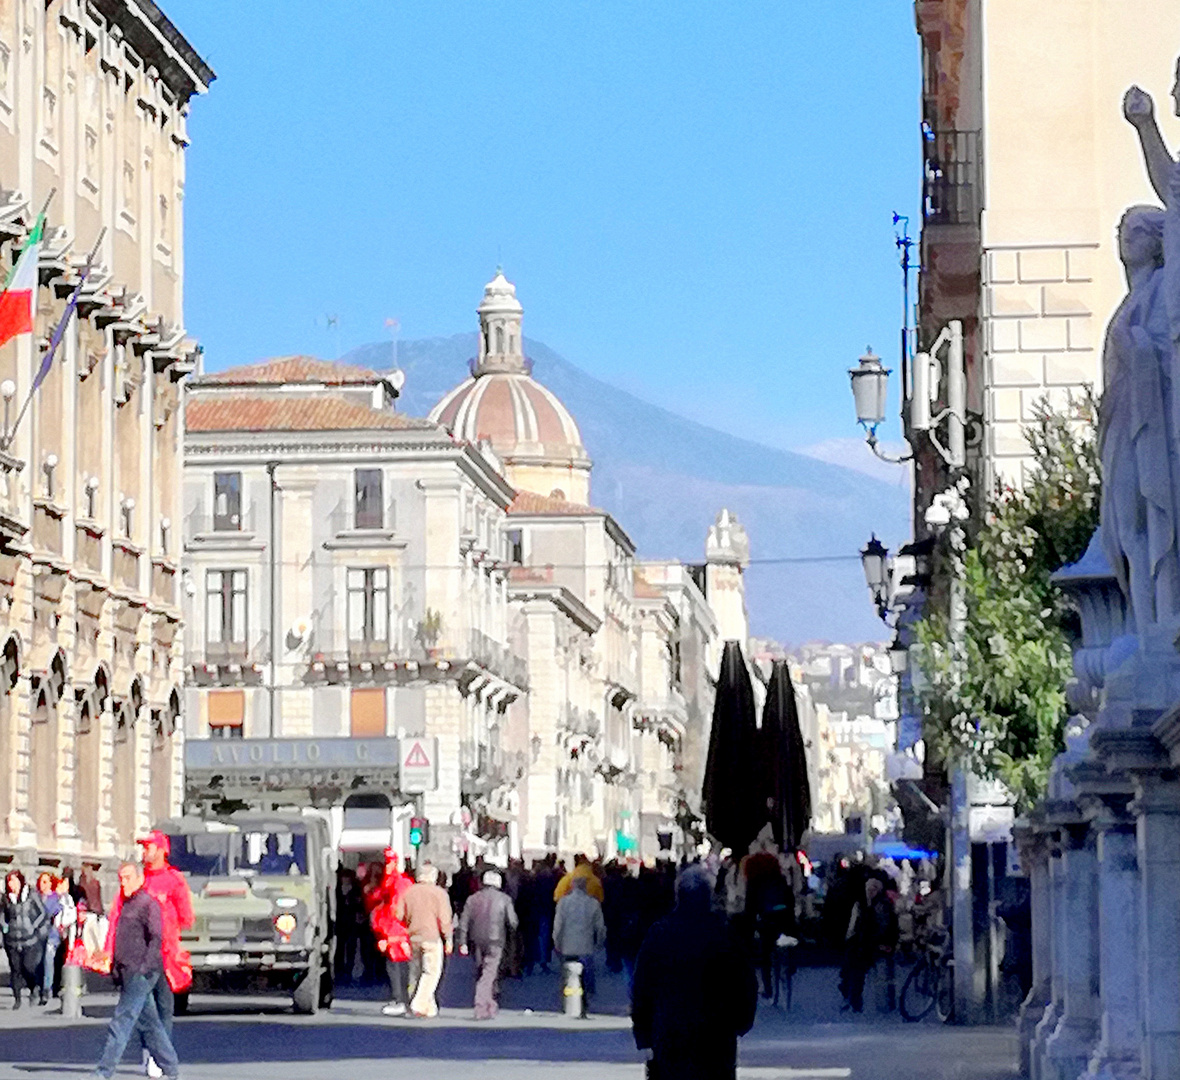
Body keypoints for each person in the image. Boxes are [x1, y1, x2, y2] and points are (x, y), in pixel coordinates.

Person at [632, 866, 758, 1080]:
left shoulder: (660, 933)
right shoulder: (724, 934)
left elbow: (642, 987)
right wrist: (741, 1022)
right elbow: (746, 983)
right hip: (716, 1032)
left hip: (670, 1030)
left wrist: (644, 1033)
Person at [105, 832, 194, 1079]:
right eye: (143, 847)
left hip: (165, 956)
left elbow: (187, 916)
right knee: (144, 1010)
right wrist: (110, 951)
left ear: (162, 849)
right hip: (137, 957)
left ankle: (160, 1059)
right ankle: (151, 1055)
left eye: (148, 847)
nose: (144, 851)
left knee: (163, 1008)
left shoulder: (174, 880)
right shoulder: (135, 879)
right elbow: (116, 917)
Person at [92, 863, 180, 1080]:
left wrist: (145, 968)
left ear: (140, 878)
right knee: (150, 1025)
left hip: (140, 973)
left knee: (121, 1021)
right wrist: (114, 967)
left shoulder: (148, 904)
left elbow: (156, 938)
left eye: (128, 877)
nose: (123, 882)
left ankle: (103, 1073)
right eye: (121, 878)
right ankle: (172, 1069)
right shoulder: (127, 904)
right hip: (126, 971)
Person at [457, 870, 518, 1020]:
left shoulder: (472, 899)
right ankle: (481, 1005)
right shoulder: (505, 899)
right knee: (490, 972)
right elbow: (513, 922)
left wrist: (463, 942)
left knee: (482, 971)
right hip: (496, 939)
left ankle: (490, 1004)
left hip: (476, 940)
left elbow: (463, 922)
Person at [395, 863, 453, 1018]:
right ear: (433, 877)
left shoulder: (408, 892)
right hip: (432, 937)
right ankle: (419, 1003)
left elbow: (398, 915)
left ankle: (427, 1007)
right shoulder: (440, 894)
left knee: (414, 973)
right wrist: (448, 938)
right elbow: (445, 919)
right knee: (431, 972)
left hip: (413, 937)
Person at [839, 876, 898, 1013]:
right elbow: (854, 929)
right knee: (854, 967)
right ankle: (853, 999)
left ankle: (855, 1000)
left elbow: (886, 927)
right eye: (869, 889)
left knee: (859, 968)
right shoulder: (861, 905)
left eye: (874, 889)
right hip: (864, 945)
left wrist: (881, 943)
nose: (871, 892)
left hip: (873, 945)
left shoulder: (882, 906)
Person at [366, 849, 414, 1016]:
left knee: (398, 965)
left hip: (396, 929)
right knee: (393, 965)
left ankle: (401, 999)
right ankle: (400, 998)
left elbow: (395, 908)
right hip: (389, 928)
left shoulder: (399, 883)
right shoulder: (387, 882)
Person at [553, 875, 606, 1016]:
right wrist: (600, 942)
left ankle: (568, 1003)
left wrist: (556, 943)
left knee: (567, 975)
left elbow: (558, 926)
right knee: (585, 976)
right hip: (586, 946)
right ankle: (584, 1002)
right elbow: (600, 927)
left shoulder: (563, 903)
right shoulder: (593, 903)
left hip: (567, 946)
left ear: (572, 886)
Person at [0, 870, 48, 1008]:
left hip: (29, 939)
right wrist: (4, 926)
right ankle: (17, 999)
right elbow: (2, 915)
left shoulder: (31, 895)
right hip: (12, 939)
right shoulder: (6, 898)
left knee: (29, 967)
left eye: (14, 881)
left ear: (20, 881)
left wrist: (34, 926)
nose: (11, 884)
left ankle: (34, 988)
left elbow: (43, 912)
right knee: (15, 969)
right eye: (9, 881)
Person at [36, 872, 62, 1004]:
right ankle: (39, 986)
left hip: (51, 935)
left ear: (51, 883)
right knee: (37, 962)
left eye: (45, 881)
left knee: (48, 961)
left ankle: (47, 988)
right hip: (37, 936)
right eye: (41, 881)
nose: (42, 884)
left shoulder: (54, 898)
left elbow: (53, 912)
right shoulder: (37, 897)